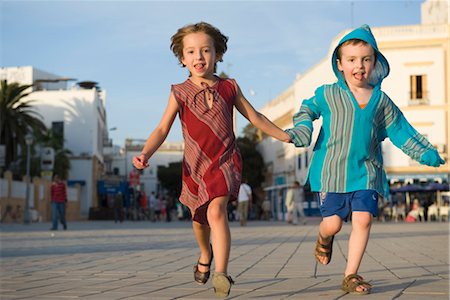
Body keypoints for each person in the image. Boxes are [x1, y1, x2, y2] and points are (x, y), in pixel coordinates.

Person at [132, 22, 290, 298]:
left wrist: (284, 136)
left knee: (216, 211)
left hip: (225, 161)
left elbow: (255, 118)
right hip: (195, 166)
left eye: (206, 50)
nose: (199, 57)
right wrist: (146, 153)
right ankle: (205, 253)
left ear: (218, 54)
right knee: (199, 219)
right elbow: (161, 129)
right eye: (191, 51)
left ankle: (221, 272)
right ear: (182, 58)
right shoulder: (179, 92)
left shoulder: (229, 87)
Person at [285, 24, 445, 295]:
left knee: (363, 220)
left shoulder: (381, 101)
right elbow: (306, 110)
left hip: (366, 172)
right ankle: (324, 236)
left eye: (365, 59)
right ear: (340, 64)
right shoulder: (328, 94)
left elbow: (401, 130)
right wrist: (302, 130)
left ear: (374, 62)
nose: (359, 65)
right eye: (351, 60)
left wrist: (425, 152)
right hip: (331, 172)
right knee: (333, 223)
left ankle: (351, 275)